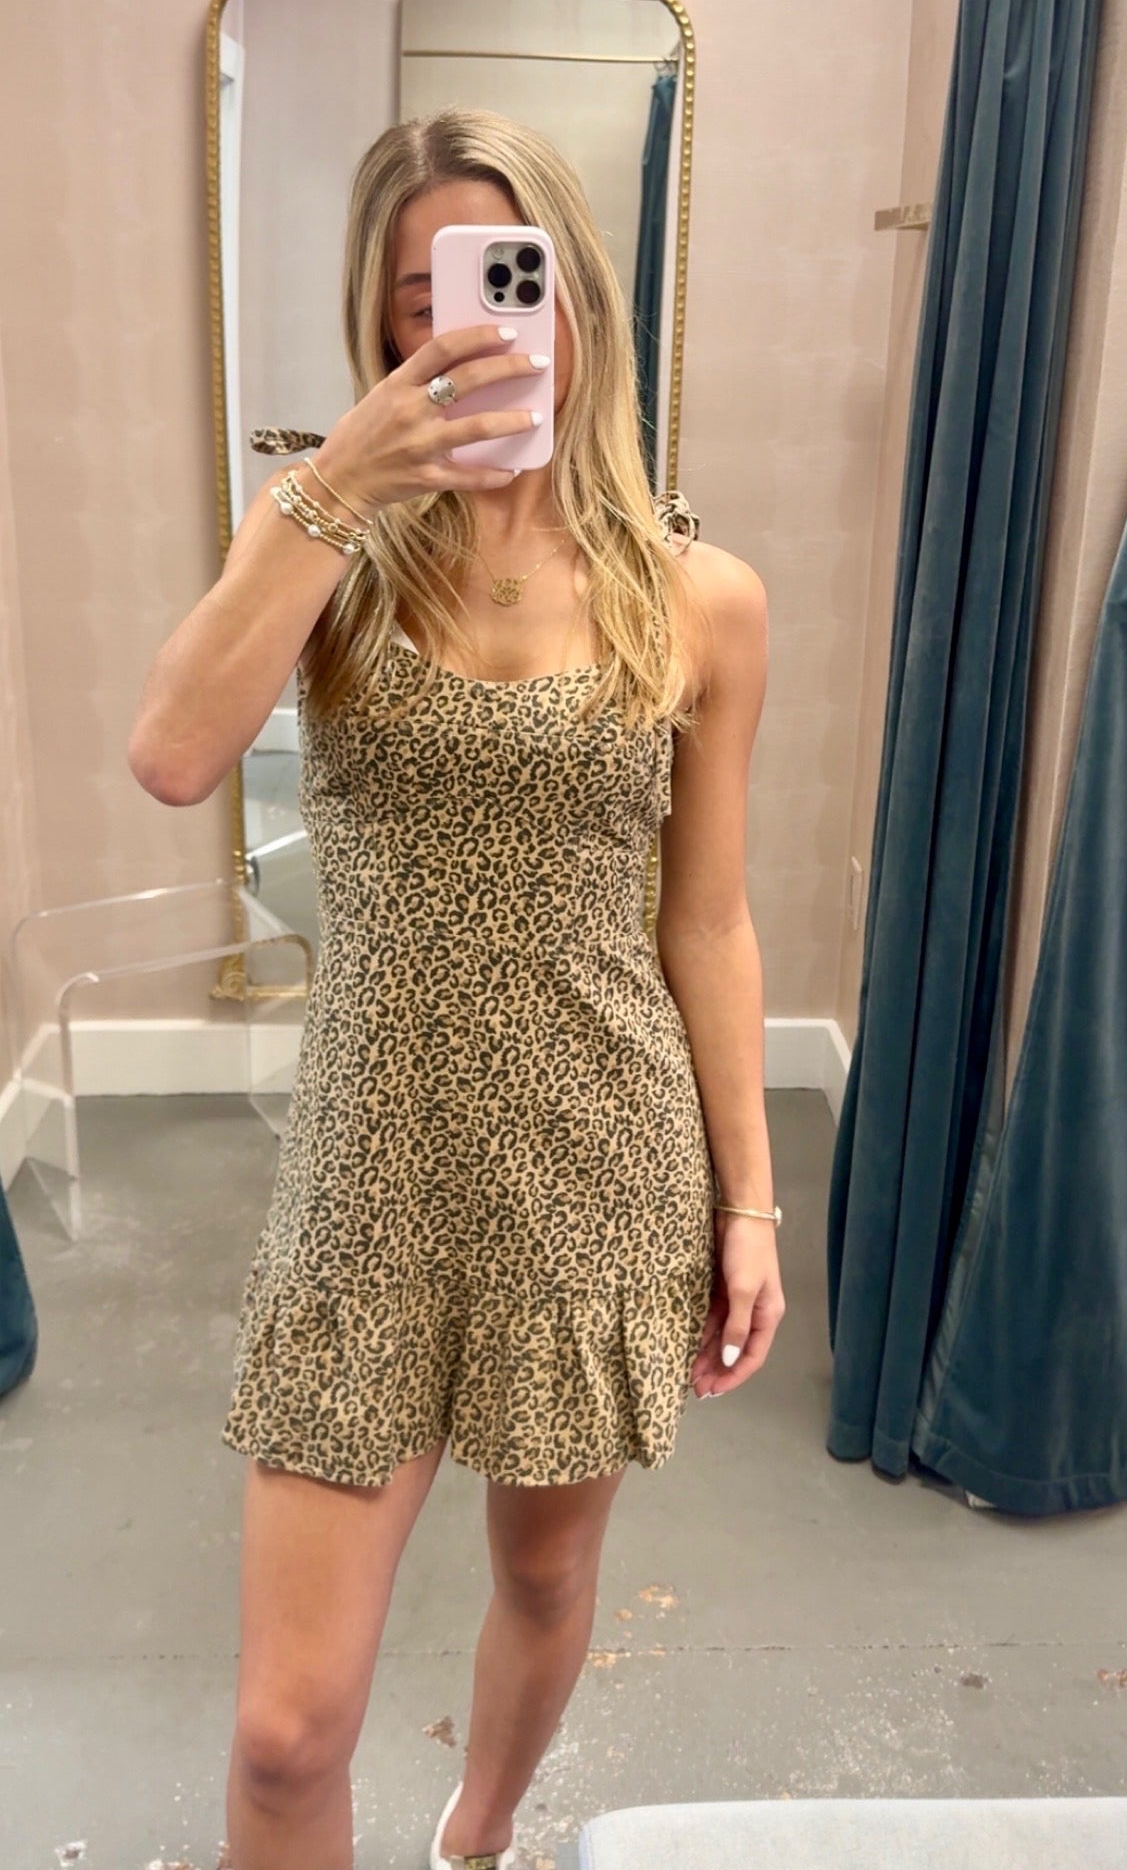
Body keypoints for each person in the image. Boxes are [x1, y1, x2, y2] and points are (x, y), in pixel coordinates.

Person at [128, 108, 784, 1870]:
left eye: (502, 280)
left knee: (545, 1573)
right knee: (284, 1736)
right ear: (378, 322)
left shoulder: (699, 596)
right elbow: (174, 756)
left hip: (595, 1164)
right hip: (373, 1180)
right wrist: (333, 489)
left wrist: (749, 1202)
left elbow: (708, 925)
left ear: (578, 299)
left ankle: (477, 1835)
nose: (465, 325)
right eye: (418, 297)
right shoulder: (324, 555)